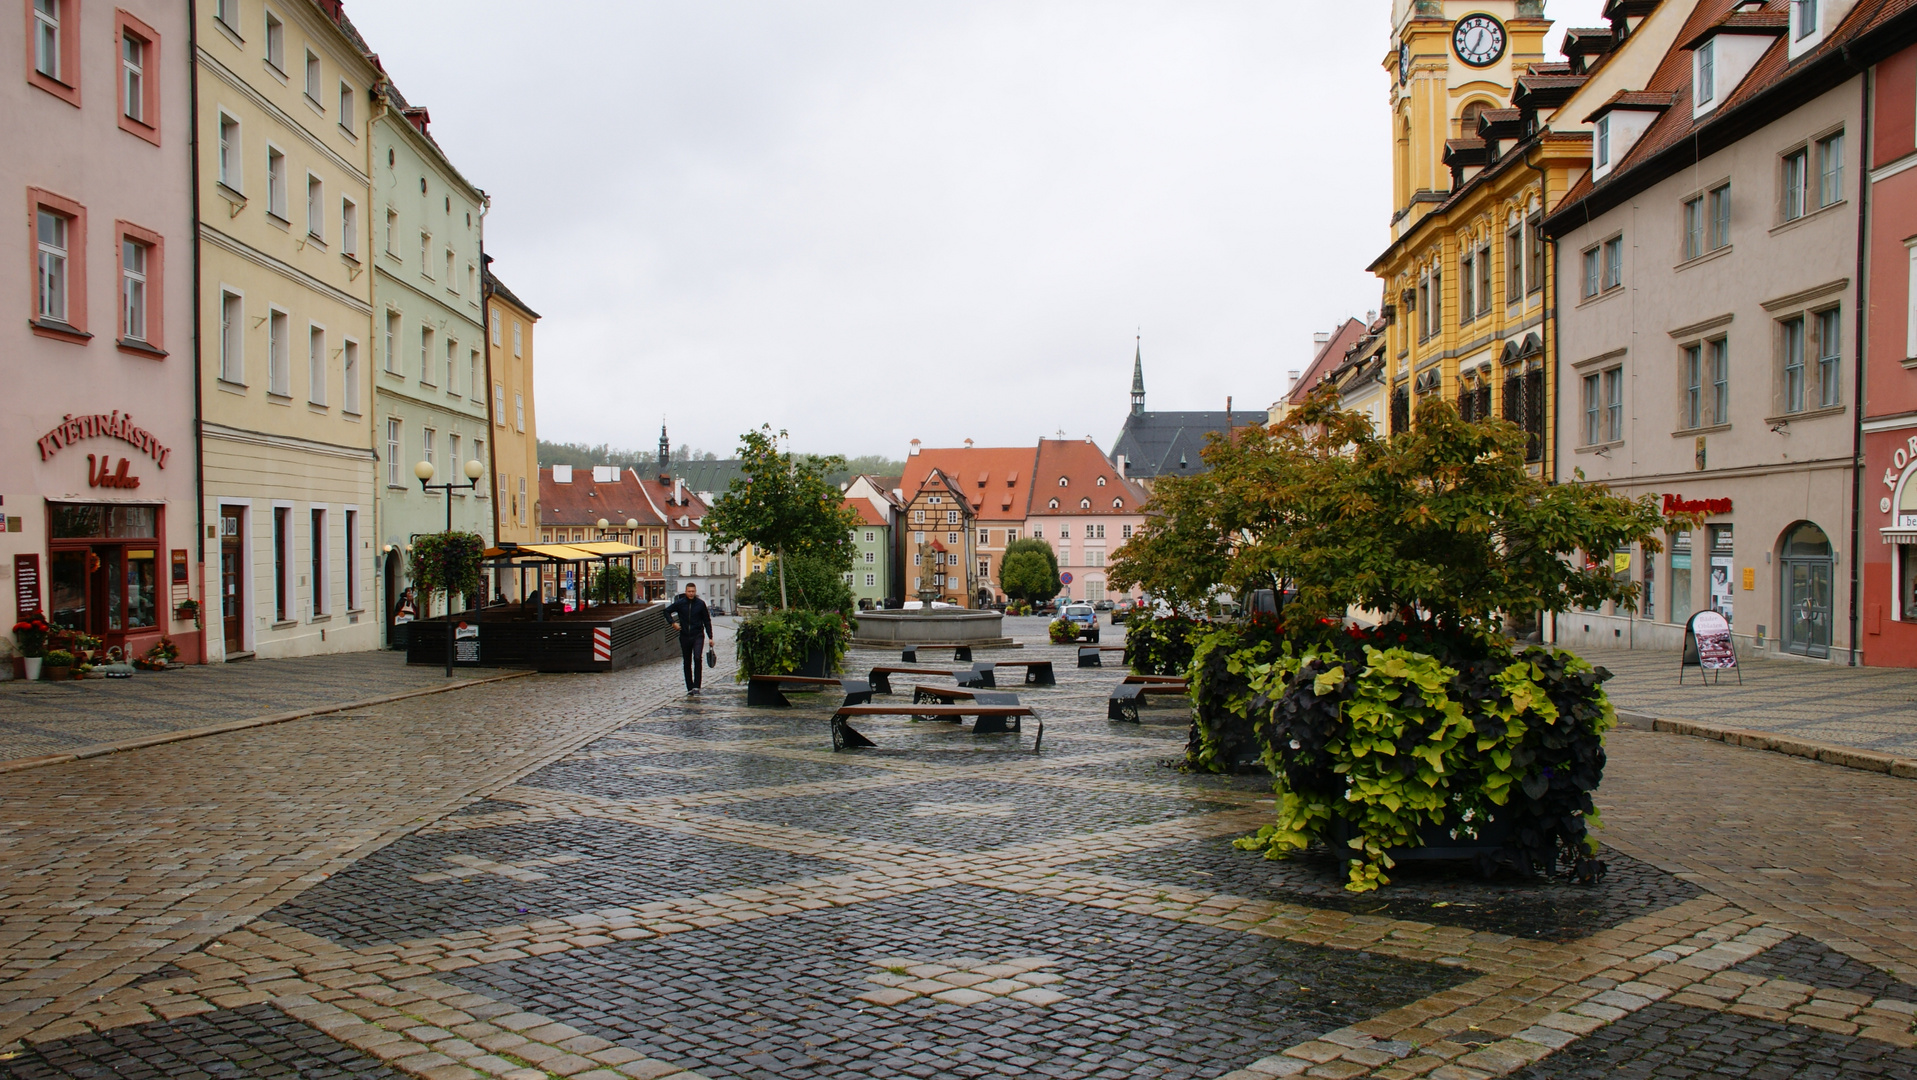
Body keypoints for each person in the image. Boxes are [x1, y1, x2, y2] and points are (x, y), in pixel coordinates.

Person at [665, 582, 714, 692]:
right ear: (686, 592)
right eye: (689, 591)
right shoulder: (680, 603)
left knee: (697, 658)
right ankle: (689, 686)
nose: (691, 593)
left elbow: (706, 620)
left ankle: (697, 685)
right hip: (685, 635)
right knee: (687, 661)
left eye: (693, 591)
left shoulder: (700, 604)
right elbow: (666, 611)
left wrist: (710, 636)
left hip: (698, 635)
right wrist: (672, 623)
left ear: (695, 592)